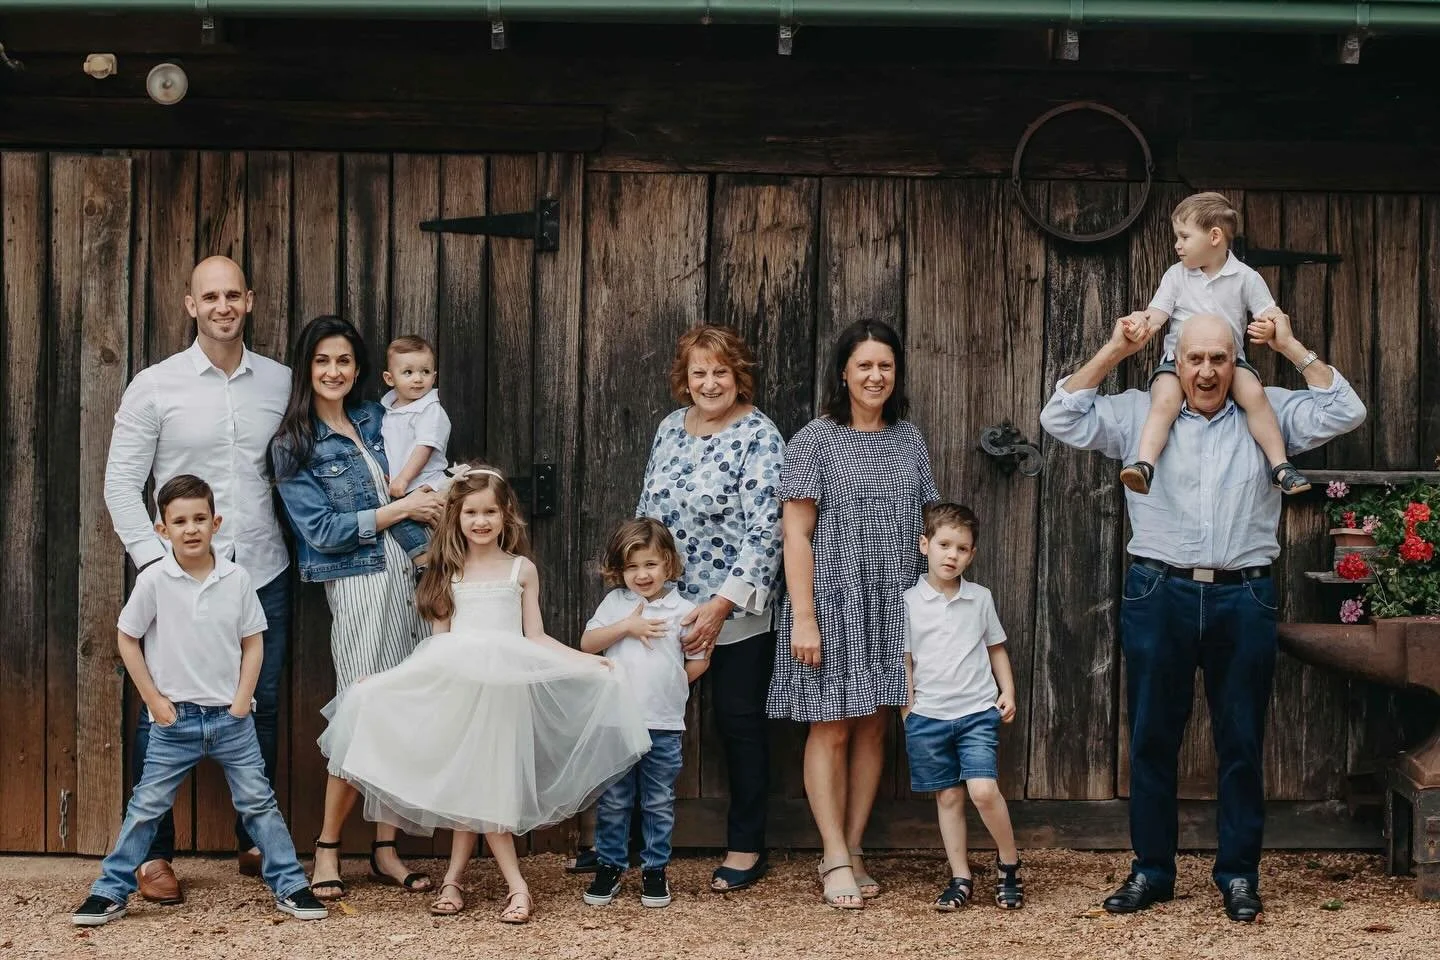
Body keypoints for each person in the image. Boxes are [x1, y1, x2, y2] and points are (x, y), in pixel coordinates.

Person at [1040, 310, 1365, 923]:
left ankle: (1239, 874)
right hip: (1158, 590)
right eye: (1195, 359)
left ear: (1237, 361)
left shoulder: (1269, 410)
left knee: (1241, 742)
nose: (1208, 371)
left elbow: (1346, 410)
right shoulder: (1142, 413)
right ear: (1176, 361)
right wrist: (1114, 352)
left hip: (1244, 596)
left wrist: (1291, 346)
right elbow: (1060, 417)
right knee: (1152, 738)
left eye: (1220, 358)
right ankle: (1152, 871)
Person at [317, 465, 651, 923]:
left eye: (490, 512)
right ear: (456, 517)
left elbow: (535, 636)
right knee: (471, 788)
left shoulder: (521, 569)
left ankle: (468, 882)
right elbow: (436, 647)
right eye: (471, 512)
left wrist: (586, 661)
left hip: (503, 696)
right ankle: (502, 885)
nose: (480, 521)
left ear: (505, 514)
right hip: (461, 693)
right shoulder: (447, 571)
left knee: (489, 789)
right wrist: (385, 680)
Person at [103, 255, 292, 902]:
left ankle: (254, 840)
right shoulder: (154, 386)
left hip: (261, 568)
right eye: (210, 297)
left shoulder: (280, 383)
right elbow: (122, 485)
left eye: (233, 295)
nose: (222, 307)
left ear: (250, 300)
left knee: (262, 702)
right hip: (177, 576)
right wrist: (156, 565)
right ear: (190, 305)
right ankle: (153, 854)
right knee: (161, 709)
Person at [71, 476, 327, 927]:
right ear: (162, 529)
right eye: (180, 521)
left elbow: (253, 642)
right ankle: (110, 890)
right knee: (146, 807)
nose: (191, 529)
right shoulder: (155, 579)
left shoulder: (237, 579)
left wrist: (242, 701)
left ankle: (290, 884)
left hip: (232, 720)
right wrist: (154, 700)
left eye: (200, 519)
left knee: (259, 803)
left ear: (216, 523)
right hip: (174, 722)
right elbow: (127, 638)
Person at [766, 319, 939, 910]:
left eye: (885, 365)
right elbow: (796, 535)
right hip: (833, 599)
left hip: (893, 599)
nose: (875, 376)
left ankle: (855, 847)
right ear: (843, 372)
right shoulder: (814, 440)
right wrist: (804, 616)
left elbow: (927, 525)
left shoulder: (909, 440)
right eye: (864, 365)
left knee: (873, 725)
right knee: (831, 725)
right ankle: (833, 853)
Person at [270, 315, 444, 902]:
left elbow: (425, 462)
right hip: (358, 580)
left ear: (359, 368)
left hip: (412, 573)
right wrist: (402, 510)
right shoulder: (293, 445)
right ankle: (326, 847)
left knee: (400, 709)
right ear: (306, 367)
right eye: (322, 360)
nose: (333, 371)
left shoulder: (377, 418)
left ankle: (385, 849)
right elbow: (321, 530)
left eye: (343, 360)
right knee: (360, 706)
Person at [632, 324, 784, 893]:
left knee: (738, 724)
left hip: (734, 609)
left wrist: (720, 606)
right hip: (667, 605)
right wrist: (645, 590)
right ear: (686, 378)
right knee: (643, 716)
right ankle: (628, 842)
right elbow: (647, 512)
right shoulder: (670, 427)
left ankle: (747, 846)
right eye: (700, 372)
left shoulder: (759, 434)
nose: (710, 382)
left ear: (738, 375)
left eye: (721, 371)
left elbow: (767, 530)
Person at [1117, 192, 1309, 497]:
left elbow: (1270, 313)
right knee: (1164, 400)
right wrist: (1141, 321)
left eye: (1184, 236)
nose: (1177, 245)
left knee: (1255, 395)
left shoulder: (1245, 278)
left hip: (1229, 362)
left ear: (1215, 237)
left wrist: (1268, 327)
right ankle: (1145, 464)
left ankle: (1280, 466)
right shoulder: (1176, 276)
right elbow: (1157, 315)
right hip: (1178, 363)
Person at [581, 518, 709, 909]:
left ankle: (655, 869)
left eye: (650, 564)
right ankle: (610, 865)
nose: (642, 575)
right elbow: (588, 644)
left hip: (663, 724)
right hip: (618, 722)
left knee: (657, 801)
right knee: (615, 800)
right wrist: (627, 626)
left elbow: (698, 660)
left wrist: (672, 684)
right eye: (632, 567)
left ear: (668, 563)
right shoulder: (615, 604)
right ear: (620, 571)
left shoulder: (684, 610)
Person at [902, 503, 1022, 912]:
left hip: (976, 713)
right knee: (949, 798)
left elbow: (995, 647)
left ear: (972, 555)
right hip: (929, 717)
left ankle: (1008, 864)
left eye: (962, 548)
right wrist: (908, 712)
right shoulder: (908, 602)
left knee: (983, 791)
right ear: (925, 545)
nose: (952, 555)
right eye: (944, 545)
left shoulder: (979, 598)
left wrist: (1008, 691)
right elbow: (906, 662)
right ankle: (960, 877)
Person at [380, 334, 451, 498]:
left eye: (425, 371)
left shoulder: (430, 410)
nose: (418, 379)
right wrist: (395, 475)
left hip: (428, 486)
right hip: (403, 487)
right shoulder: (390, 409)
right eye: (408, 372)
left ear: (433, 377)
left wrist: (403, 479)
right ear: (390, 379)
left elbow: (424, 448)